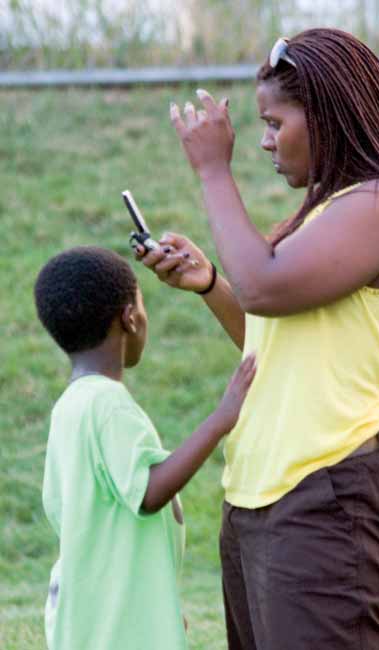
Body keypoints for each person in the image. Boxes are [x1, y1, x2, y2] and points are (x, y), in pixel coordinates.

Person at [138, 28, 379, 650]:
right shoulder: (324, 214)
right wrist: (211, 285)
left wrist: (211, 171)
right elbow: (270, 350)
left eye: (274, 121)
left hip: (329, 497)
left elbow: (263, 286)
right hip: (264, 499)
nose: (263, 140)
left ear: (329, 116)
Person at [34, 246, 256, 650]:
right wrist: (222, 418)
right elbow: (149, 493)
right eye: (141, 302)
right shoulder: (108, 404)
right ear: (129, 317)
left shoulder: (70, 406)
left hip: (96, 615)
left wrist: (154, 604)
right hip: (117, 627)